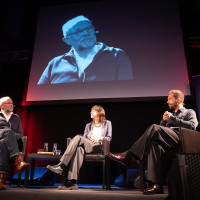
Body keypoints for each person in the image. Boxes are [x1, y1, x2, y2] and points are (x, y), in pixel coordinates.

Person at [107, 90, 198, 195]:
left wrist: (172, 119)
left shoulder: (189, 112)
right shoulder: (169, 114)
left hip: (181, 139)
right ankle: (156, 185)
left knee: (154, 127)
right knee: (154, 145)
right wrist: (164, 122)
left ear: (178, 100)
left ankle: (129, 155)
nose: (167, 101)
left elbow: (192, 126)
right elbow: (159, 132)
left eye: (169, 99)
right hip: (168, 142)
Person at [37, 15, 133, 84]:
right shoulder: (55, 63)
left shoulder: (117, 55)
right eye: (78, 31)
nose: (85, 33)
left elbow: (127, 89)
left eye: (88, 28)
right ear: (67, 40)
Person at [47, 105, 112, 190]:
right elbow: (84, 139)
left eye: (93, 111)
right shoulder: (88, 125)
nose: (90, 112)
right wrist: (89, 139)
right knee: (78, 150)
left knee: (78, 137)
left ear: (99, 113)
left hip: (99, 147)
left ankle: (62, 165)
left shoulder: (107, 123)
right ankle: (72, 182)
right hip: (88, 145)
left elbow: (109, 138)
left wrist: (99, 138)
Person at [0, 97, 30, 190]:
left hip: (11, 145)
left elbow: (20, 133)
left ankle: (1, 180)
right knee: (8, 133)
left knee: (4, 143)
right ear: (1, 106)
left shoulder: (16, 117)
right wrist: (8, 133)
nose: (11, 105)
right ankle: (19, 160)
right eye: (8, 103)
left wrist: (10, 137)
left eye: (12, 103)